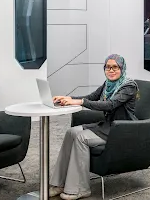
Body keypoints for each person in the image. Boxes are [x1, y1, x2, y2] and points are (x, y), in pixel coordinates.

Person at [48, 54, 139, 200]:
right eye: (108, 67)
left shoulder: (129, 86)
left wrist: (80, 102)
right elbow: (91, 97)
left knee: (81, 137)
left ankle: (80, 189)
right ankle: (60, 183)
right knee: (71, 132)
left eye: (115, 67)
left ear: (122, 68)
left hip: (122, 129)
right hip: (108, 126)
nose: (111, 70)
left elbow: (110, 105)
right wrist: (69, 99)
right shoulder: (108, 84)